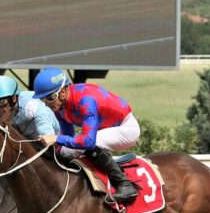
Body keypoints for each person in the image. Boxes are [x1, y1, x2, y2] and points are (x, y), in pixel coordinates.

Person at [33, 67, 140, 204]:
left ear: (63, 91)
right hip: (105, 129)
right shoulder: (59, 106)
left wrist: (55, 138)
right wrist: (52, 150)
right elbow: (67, 135)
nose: (47, 104)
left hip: (126, 129)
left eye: (50, 98)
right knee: (64, 151)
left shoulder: (85, 100)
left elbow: (88, 142)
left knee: (87, 144)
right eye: (43, 100)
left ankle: (124, 185)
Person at [0, 75, 60, 140]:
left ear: (13, 98)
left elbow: (48, 135)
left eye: (2, 102)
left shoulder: (32, 104)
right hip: (26, 143)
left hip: (52, 139)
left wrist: (48, 136)